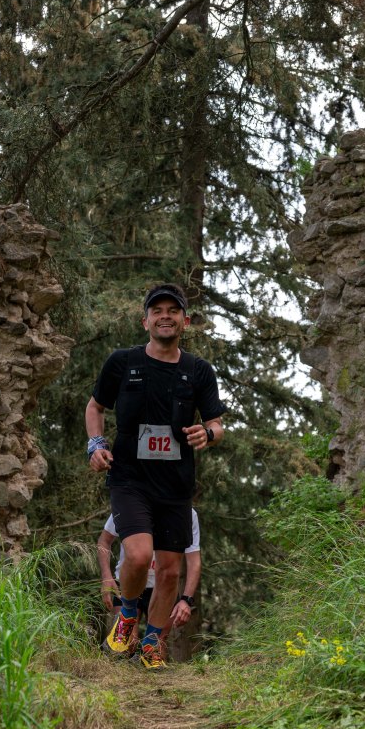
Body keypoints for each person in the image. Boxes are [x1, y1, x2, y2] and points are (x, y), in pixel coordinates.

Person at [86, 282, 224, 670]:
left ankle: (152, 644)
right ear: (145, 320)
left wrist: (208, 433)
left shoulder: (198, 371)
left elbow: (216, 424)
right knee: (138, 554)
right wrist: (95, 445)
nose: (165, 316)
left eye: (173, 311)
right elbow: (95, 407)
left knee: (169, 571)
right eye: (157, 311)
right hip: (130, 478)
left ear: (185, 321)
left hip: (176, 485)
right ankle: (129, 614)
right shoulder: (122, 362)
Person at [97, 508, 202, 649]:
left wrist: (186, 599)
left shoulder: (187, 512)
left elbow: (194, 560)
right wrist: (106, 577)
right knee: (126, 644)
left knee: (156, 648)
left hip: (163, 587)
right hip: (129, 582)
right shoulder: (130, 502)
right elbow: (104, 540)